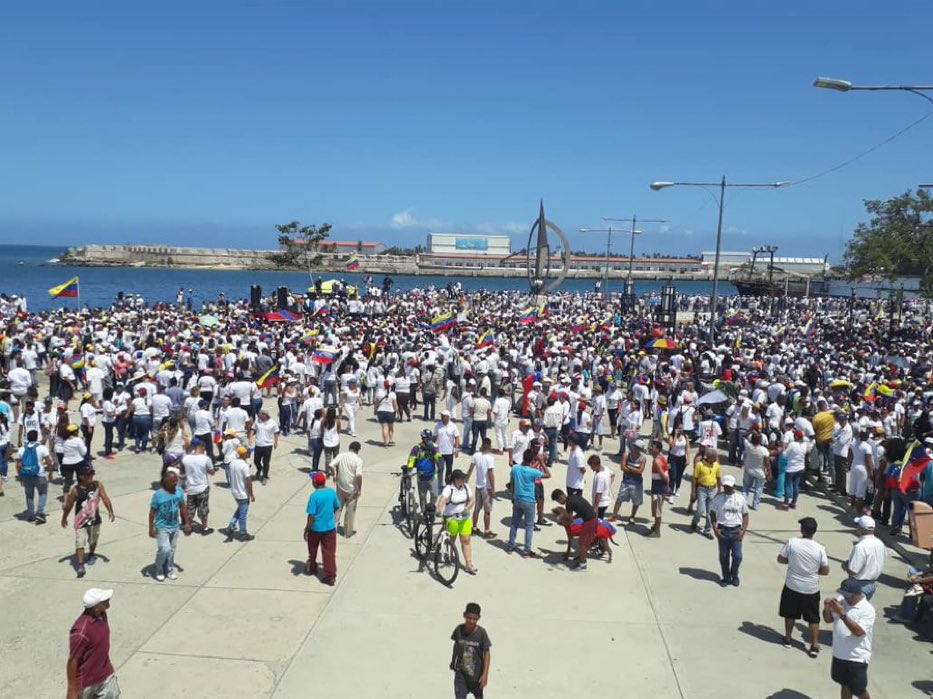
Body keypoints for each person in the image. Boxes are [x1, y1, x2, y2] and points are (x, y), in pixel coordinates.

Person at [778, 516, 830, 656]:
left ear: (802, 530)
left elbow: (781, 559)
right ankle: (814, 645)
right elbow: (825, 571)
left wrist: (793, 562)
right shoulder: (820, 548)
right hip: (811, 589)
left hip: (792, 585)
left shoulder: (792, 542)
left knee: (790, 615)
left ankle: (788, 639)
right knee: (813, 618)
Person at [823, 579, 875, 699]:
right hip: (839, 653)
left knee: (858, 689)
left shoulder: (867, 609)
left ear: (857, 594)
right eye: (844, 594)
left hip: (856, 657)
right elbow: (828, 620)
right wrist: (827, 608)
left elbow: (858, 632)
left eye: (848, 596)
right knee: (844, 684)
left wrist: (842, 614)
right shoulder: (842, 600)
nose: (845, 599)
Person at [61, 466, 116, 579]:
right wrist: (64, 518)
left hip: (95, 519)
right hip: (80, 521)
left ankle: (91, 554)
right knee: (80, 542)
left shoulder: (97, 485)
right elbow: (69, 505)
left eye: (92, 474)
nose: (91, 476)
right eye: (88, 475)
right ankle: (81, 565)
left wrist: (110, 511)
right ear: (81, 476)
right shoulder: (76, 490)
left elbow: (105, 498)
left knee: (93, 539)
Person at [67, 588, 120, 699]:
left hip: (106, 675)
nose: (108, 600)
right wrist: (72, 690)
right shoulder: (80, 632)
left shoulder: (102, 616)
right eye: (104, 601)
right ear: (95, 608)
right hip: (87, 684)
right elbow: (73, 661)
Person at [148, 470, 191, 582]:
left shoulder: (179, 491)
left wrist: (186, 523)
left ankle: (169, 570)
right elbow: (152, 512)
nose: (175, 483)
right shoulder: (158, 495)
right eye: (173, 481)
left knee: (172, 550)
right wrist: (151, 528)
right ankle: (158, 569)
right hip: (162, 526)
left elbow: (182, 507)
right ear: (166, 482)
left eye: (176, 480)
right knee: (164, 549)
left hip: (174, 525)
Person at [507, 449, 551, 557]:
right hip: (529, 501)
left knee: (514, 524)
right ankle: (526, 550)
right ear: (532, 460)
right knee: (529, 526)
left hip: (517, 499)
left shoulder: (515, 468)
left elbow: (512, 484)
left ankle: (510, 546)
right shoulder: (533, 472)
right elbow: (548, 474)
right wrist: (541, 462)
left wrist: (512, 495)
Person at [709, 474, 749, 587]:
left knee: (738, 556)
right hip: (723, 530)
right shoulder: (718, 498)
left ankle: (734, 574)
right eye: (725, 486)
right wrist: (715, 529)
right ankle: (726, 577)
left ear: (733, 486)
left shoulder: (740, 498)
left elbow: (745, 515)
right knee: (724, 556)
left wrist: (743, 531)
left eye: (729, 486)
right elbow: (712, 513)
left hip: (736, 530)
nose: (727, 488)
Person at [437, 469, 477, 574]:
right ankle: (451, 555)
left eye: (464, 478)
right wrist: (439, 509)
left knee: (466, 540)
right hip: (451, 518)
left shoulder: (466, 487)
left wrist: (467, 508)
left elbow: (472, 500)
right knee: (452, 540)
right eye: (462, 478)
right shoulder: (448, 489)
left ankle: (469, 564)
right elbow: (442, 500)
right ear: (456, 479)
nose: (464, 480)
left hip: (465, 518)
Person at [450, 602, 491, 699]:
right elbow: (456, 645)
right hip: (461, 673)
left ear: (479, 618)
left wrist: (485, 675)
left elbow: (487, 653)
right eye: (469, 618)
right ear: (464, 615)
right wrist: (453, 660)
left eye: (475, 619)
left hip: (476, 676)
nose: (472, 621)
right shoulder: (458, 630)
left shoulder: (481, 633)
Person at [305, 471, 340, 585]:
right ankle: (330, 576)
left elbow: (311, 515)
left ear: (315, 482)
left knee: (313, 549)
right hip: (329, 528)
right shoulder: (331, 492)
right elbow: (336, 507)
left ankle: (312, 568)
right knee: (329, 552)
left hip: (315, 529)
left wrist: (307, 529)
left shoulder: (314, 496)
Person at [551, 487, 596, 571]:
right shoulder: (572, 497)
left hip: (589, 521)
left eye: (558, 501)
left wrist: (562, 523)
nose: (559, 503)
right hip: (591, 517)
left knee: (582, 543)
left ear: (561, 496)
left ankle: (583, 565)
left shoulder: (568, 503)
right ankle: (582, 559)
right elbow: (579, 512)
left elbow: (570, 520)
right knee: (584, 542)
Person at [15, 428, 54, 524]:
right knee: (43, 493)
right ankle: (40, 513)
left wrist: (20, 476)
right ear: (36, 437)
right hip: (39, 474)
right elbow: (49, 462)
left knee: (29, 495)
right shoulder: (42, 448)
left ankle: (31, 514)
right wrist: (50, 473)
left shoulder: (22, 449)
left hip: (26, 475)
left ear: (27, 438)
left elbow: (18, 464)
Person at [842, 516, 886, 601]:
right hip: (872, 584)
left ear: (860, 529)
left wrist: (845, 566)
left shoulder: (860, 547)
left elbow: (852, 571)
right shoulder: (880, 543)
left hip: (858, 585)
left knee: (850, 611)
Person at [220, 446, 256, 542]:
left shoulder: (233, 463)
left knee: (240, 509)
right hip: (243, 493)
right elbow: (248, 481)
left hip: (235, 491)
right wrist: (251, 494)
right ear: (244, 454)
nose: (249, 454)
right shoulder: (244, 466)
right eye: (248, 452)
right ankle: (243, 533)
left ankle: (231, 526)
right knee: (243, 514)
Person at [328, 440, 363, 537]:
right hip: (352, 489)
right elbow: (358, 476)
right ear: (358, 450)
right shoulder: (358, 460)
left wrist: (334, 474)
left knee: (338, 508)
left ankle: (332, 528)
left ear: (349, 447)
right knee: (350, 511)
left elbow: (331, 465)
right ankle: (347, 532)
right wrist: (359, 489)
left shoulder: (341, 456)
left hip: (340, 486)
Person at [609, 439, 647, 525]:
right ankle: (614, 515)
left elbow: (640, 471)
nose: (635, 448)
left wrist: (628, 467)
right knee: (619, 499)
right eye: (635, 446)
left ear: (641, 449)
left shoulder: (643, 458)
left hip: (637, 483)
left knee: (636, 501)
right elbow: (622, 468)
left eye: (638, 447)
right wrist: (635, 469)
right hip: (626, 482)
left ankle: (632, 516)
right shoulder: (626, 455)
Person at [183, 438, 216, 534]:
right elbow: (212, 472)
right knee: (203, 509)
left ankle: (188, 527)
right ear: (200, 447)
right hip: (202, 487)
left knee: (190, 509)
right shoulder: (205, 459)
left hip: (190, 488)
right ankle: (205, 528)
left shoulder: (186, 459)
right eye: (203, 448)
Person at [465, 437, 496, 539]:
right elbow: (490, 474)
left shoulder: (476, 455)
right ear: (490, 446)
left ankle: (474, 528)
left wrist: (466, 481)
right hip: (486, 487)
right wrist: (493, 488)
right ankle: (486, 531)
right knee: (487, 510)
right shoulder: (490, 458)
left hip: (478, 486)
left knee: (476, 509)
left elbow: (470, 469)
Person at [690, 445, 721, 538]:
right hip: (702, 489)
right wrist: (693, 492)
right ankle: (695, 521)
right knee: (700, 509)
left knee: (710, 512)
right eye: (714, 458)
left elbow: (718, 478)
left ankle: (707, 530)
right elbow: (694, 479)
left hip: (713, 490)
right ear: (709, 457)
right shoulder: (700, 465)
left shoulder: (716, 465)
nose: (715, 459)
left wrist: (720, 489)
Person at [408, 429, 444, 510]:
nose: (426, 440)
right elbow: (411, 459)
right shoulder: (417, 448)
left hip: (432, 476)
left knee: (435, 495)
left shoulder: (434, 447)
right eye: (424, 438)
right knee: (422, 497)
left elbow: (438, 458)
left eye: (428, 438)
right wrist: (409, 471)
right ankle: (424, 512)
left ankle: (431, 509)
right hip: (421, 477)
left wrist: (433, 450)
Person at [741, 431, 771, 509]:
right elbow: (767, 463)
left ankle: (742, 503)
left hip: (749, 469)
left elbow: (743, 436)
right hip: (760, 472)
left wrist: (751, 431)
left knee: (746, 487)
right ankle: (755, 505)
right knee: (758, 489)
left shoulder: (748, 446)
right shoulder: (764, 450)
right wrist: (769, 473)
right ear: (760, 440)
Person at [250, 408, 279, 485]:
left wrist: (276, 442)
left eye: (259, 413)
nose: (258, 415)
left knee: (266, 462)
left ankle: (265, 476)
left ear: (264, 415)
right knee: (256, 460)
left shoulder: (272, 423)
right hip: (258, 444)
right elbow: (253, 429)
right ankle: (259, 469)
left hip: (267, 445)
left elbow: (276, 432)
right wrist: (250, 437)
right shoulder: (257, 421)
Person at [647, 438, 669, 537]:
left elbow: (664, 477)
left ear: (657, 449)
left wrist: (667, 486)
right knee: (656, 510)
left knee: (657, 511)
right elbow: (667, 472)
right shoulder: (662, 458)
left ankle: (657, 531)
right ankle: (655, 527)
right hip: (659, 488)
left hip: (658, 489)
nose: (651, 448)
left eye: (653, 447)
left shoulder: (656, 461)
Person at [434, 410, 461, 484]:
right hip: (440, 452)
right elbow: (434, 437)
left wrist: (457, 449)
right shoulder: (438, 425)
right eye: (441, 415)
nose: (442, 417)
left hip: (449, 452)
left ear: (448, 417)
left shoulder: (453, 426)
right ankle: (439, 485)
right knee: (440, 469)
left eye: (444, 415)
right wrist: (433, 448)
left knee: (449, 470)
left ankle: (448, 484)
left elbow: (457, 438)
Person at [589, 454, 612, 519]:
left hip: (600, 504)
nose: (591, 468)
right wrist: (607, 486)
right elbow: (613, 475)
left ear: (596, 465)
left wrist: (595, 508)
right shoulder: (606, 469)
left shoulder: (600, 477)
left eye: (591, 466)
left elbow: (599, 493)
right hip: (605, 502)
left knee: (597, 522)